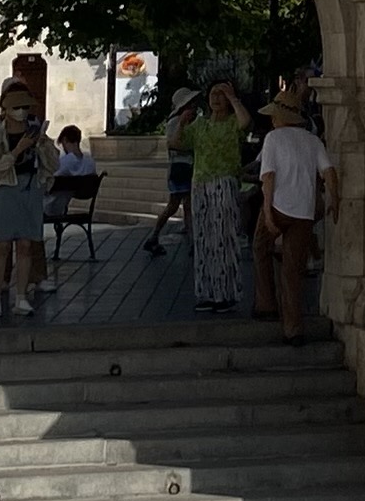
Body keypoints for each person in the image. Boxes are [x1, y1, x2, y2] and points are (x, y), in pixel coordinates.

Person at [257, 87, 334, 345]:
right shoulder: (313, 141)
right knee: (293, 271)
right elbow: (329, 173)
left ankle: (266, 304)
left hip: (279, 207)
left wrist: (267, 213)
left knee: (260, 247)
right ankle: (293, 328)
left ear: (279, 117)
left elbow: (268, 178)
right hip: (304, 212)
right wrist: (335, 200)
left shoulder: (273, 139)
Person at [0, 87, 55, 322]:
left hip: (30, 189)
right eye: (16, 108)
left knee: (25, 244)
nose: (22, 112)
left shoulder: (35, 133)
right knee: (0, 245)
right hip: (5, 190)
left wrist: (42, 145)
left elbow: (54, 164)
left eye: (25, 107)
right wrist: (18, 149)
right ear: (6, 110)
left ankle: (21, 296)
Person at [183, 78, 254, 315]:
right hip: (200, 183)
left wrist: (234, 98)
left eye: (221, 94)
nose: (216, 98)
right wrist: (180, 124)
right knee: (203, 239)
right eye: (213, 93)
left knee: (224, 237)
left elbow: (245, 122)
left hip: (224, 181)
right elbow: (177, 142)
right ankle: (206, 292)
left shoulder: (234, 123)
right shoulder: (200, 125)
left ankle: (226, 293)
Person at [140, 103, 192, 257]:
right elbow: (172, 144)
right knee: (175, 205)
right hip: (179, 167)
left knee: (186, 205)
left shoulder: (191, 121)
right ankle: (155, 235)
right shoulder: (175, 123)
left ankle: (191, 241)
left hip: (186, 167)